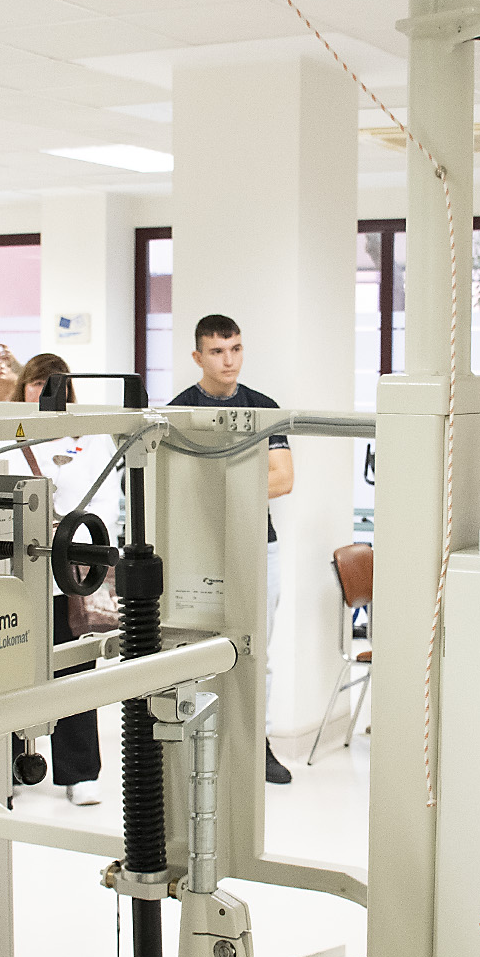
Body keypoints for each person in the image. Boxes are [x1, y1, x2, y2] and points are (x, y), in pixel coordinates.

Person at [170, 314, 295, 785]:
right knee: (195, 652)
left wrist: (215, 479)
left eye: (236, 349)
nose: (229, 360)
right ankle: (198, 747)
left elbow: (283, 479)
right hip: (197, 552)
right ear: (198, 356)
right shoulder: (178, 411)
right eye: (218, 351)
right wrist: (243, 479)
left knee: (256, 653)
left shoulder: (263, 407)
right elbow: (174, 484)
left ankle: (257, 746)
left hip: (258, 546)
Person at [18, 353, 117, 805]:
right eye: (35, 383)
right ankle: (13, 768)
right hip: (19, 579)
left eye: (52, 384)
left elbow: (101, 501)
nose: (42, 392)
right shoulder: (10, 435)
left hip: (68, 576)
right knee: (13, 674)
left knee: (74, 671)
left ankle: (80, 773)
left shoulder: (91, 437)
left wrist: (67, 534)